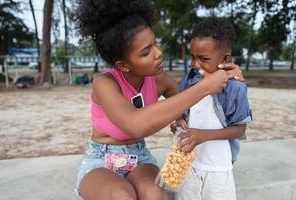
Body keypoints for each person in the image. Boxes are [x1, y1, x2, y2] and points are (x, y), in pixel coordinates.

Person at [71, 1, 243, 199]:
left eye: (155, 43)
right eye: (146, 52)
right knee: (120, 195)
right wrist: (205, 87)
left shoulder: (159, 80)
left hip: (139, 157)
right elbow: (135, 125)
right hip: (101, 159)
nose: (158, 53)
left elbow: (184, 100)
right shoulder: (105, 83)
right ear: (124, 64)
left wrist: (228, 76)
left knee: (154, 194)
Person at [171, 17, 252, 200]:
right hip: (187, 164)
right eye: (192, 57)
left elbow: (240, 129)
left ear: (225, 58)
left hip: (218, 167)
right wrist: (179, 123)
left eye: (203, 58)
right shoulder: (189, 80)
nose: (195, 64)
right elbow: (180, 112)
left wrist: (202, 135)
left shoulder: (235, 88)